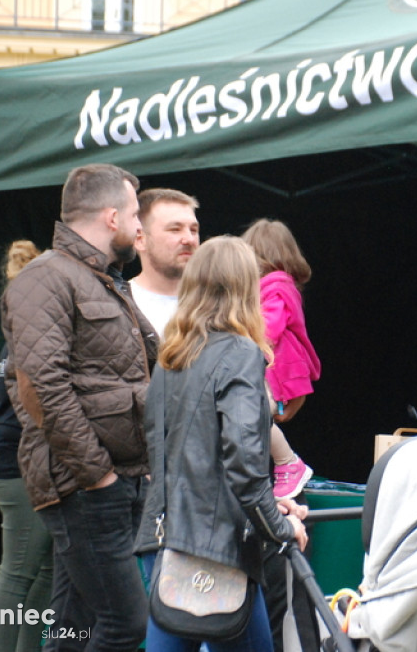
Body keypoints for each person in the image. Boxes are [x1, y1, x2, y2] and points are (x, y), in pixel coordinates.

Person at [1, 163, 158, 651]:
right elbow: (40, 387)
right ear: (111, 217)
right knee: (126, 626)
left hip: (114, 481)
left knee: (76, 627)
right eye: (135, 214)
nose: (140, 227)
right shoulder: (45, 278)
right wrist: (98, 476)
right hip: (87, 485)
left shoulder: (102, 278)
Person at [134, 236, 308, 652]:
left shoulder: (171, 357)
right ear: (247, 287)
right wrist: (280, 526)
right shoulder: (240, 353)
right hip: (215, 549)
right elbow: (245, 466)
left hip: (161, 538)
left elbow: (175, 458)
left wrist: (267, 507)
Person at [0, 240, 53, 652]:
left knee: (47, 569)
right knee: (17, 575)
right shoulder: (29, 336)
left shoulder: (20, 334)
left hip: (20, 465)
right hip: (17, 468)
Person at [241, 220, 320, 501]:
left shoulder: (275, 288)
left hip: (278, 372)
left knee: (254, 411)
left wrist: (238, 343)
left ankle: (288, 462)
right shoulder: (279, 287)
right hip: (276, 370)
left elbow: (267, 329)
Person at [129, 188, 200, 340]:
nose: (189, 239)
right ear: (140, 240)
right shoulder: (120, 306)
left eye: (193, 230)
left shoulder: (218, 304)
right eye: (175, 230)